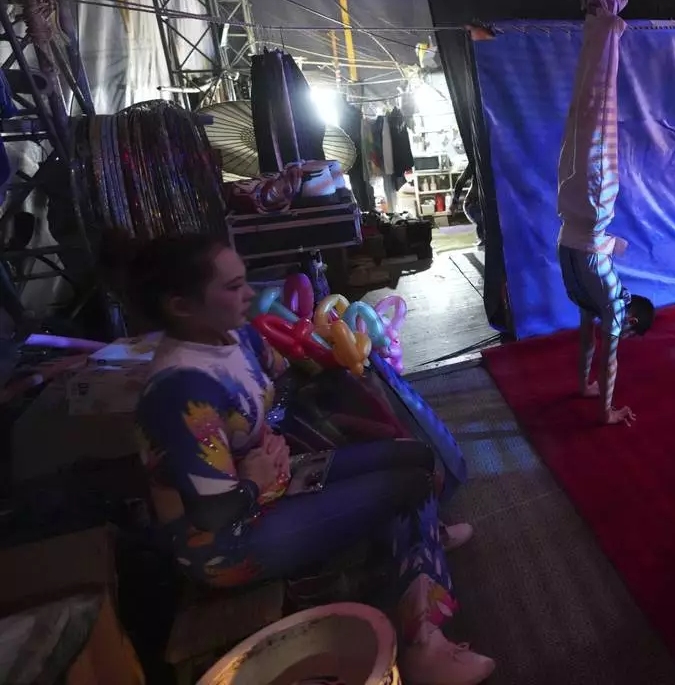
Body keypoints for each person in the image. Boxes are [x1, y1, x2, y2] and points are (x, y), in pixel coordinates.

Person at [109, 234, 495, 685]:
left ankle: (419, 536)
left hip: (272, 482)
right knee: (405, 488)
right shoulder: (179, 389)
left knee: (419, 457)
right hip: (226, 541)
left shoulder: (236, 336)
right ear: (181, 306)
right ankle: (423, 642)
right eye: (233, 287)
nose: (250, 293)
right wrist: (253, 477)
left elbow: (280, 390)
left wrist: (266, 440)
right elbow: (213, 511)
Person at [556, 0, 655, 427]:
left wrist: (600, 401)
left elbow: (599, 346)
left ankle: (605, 10)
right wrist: (596, 396)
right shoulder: (602, 304)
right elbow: (595, 345)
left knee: (592, 109)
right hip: (577, 225)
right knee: (587, 110)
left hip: (589, 215)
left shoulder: (608, 305)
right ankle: (603, 13)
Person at [450, 159, 484, 248]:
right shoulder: (475, 162)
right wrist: (455, 202)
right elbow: (460, 182)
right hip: (474, 204)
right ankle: (483, 239)